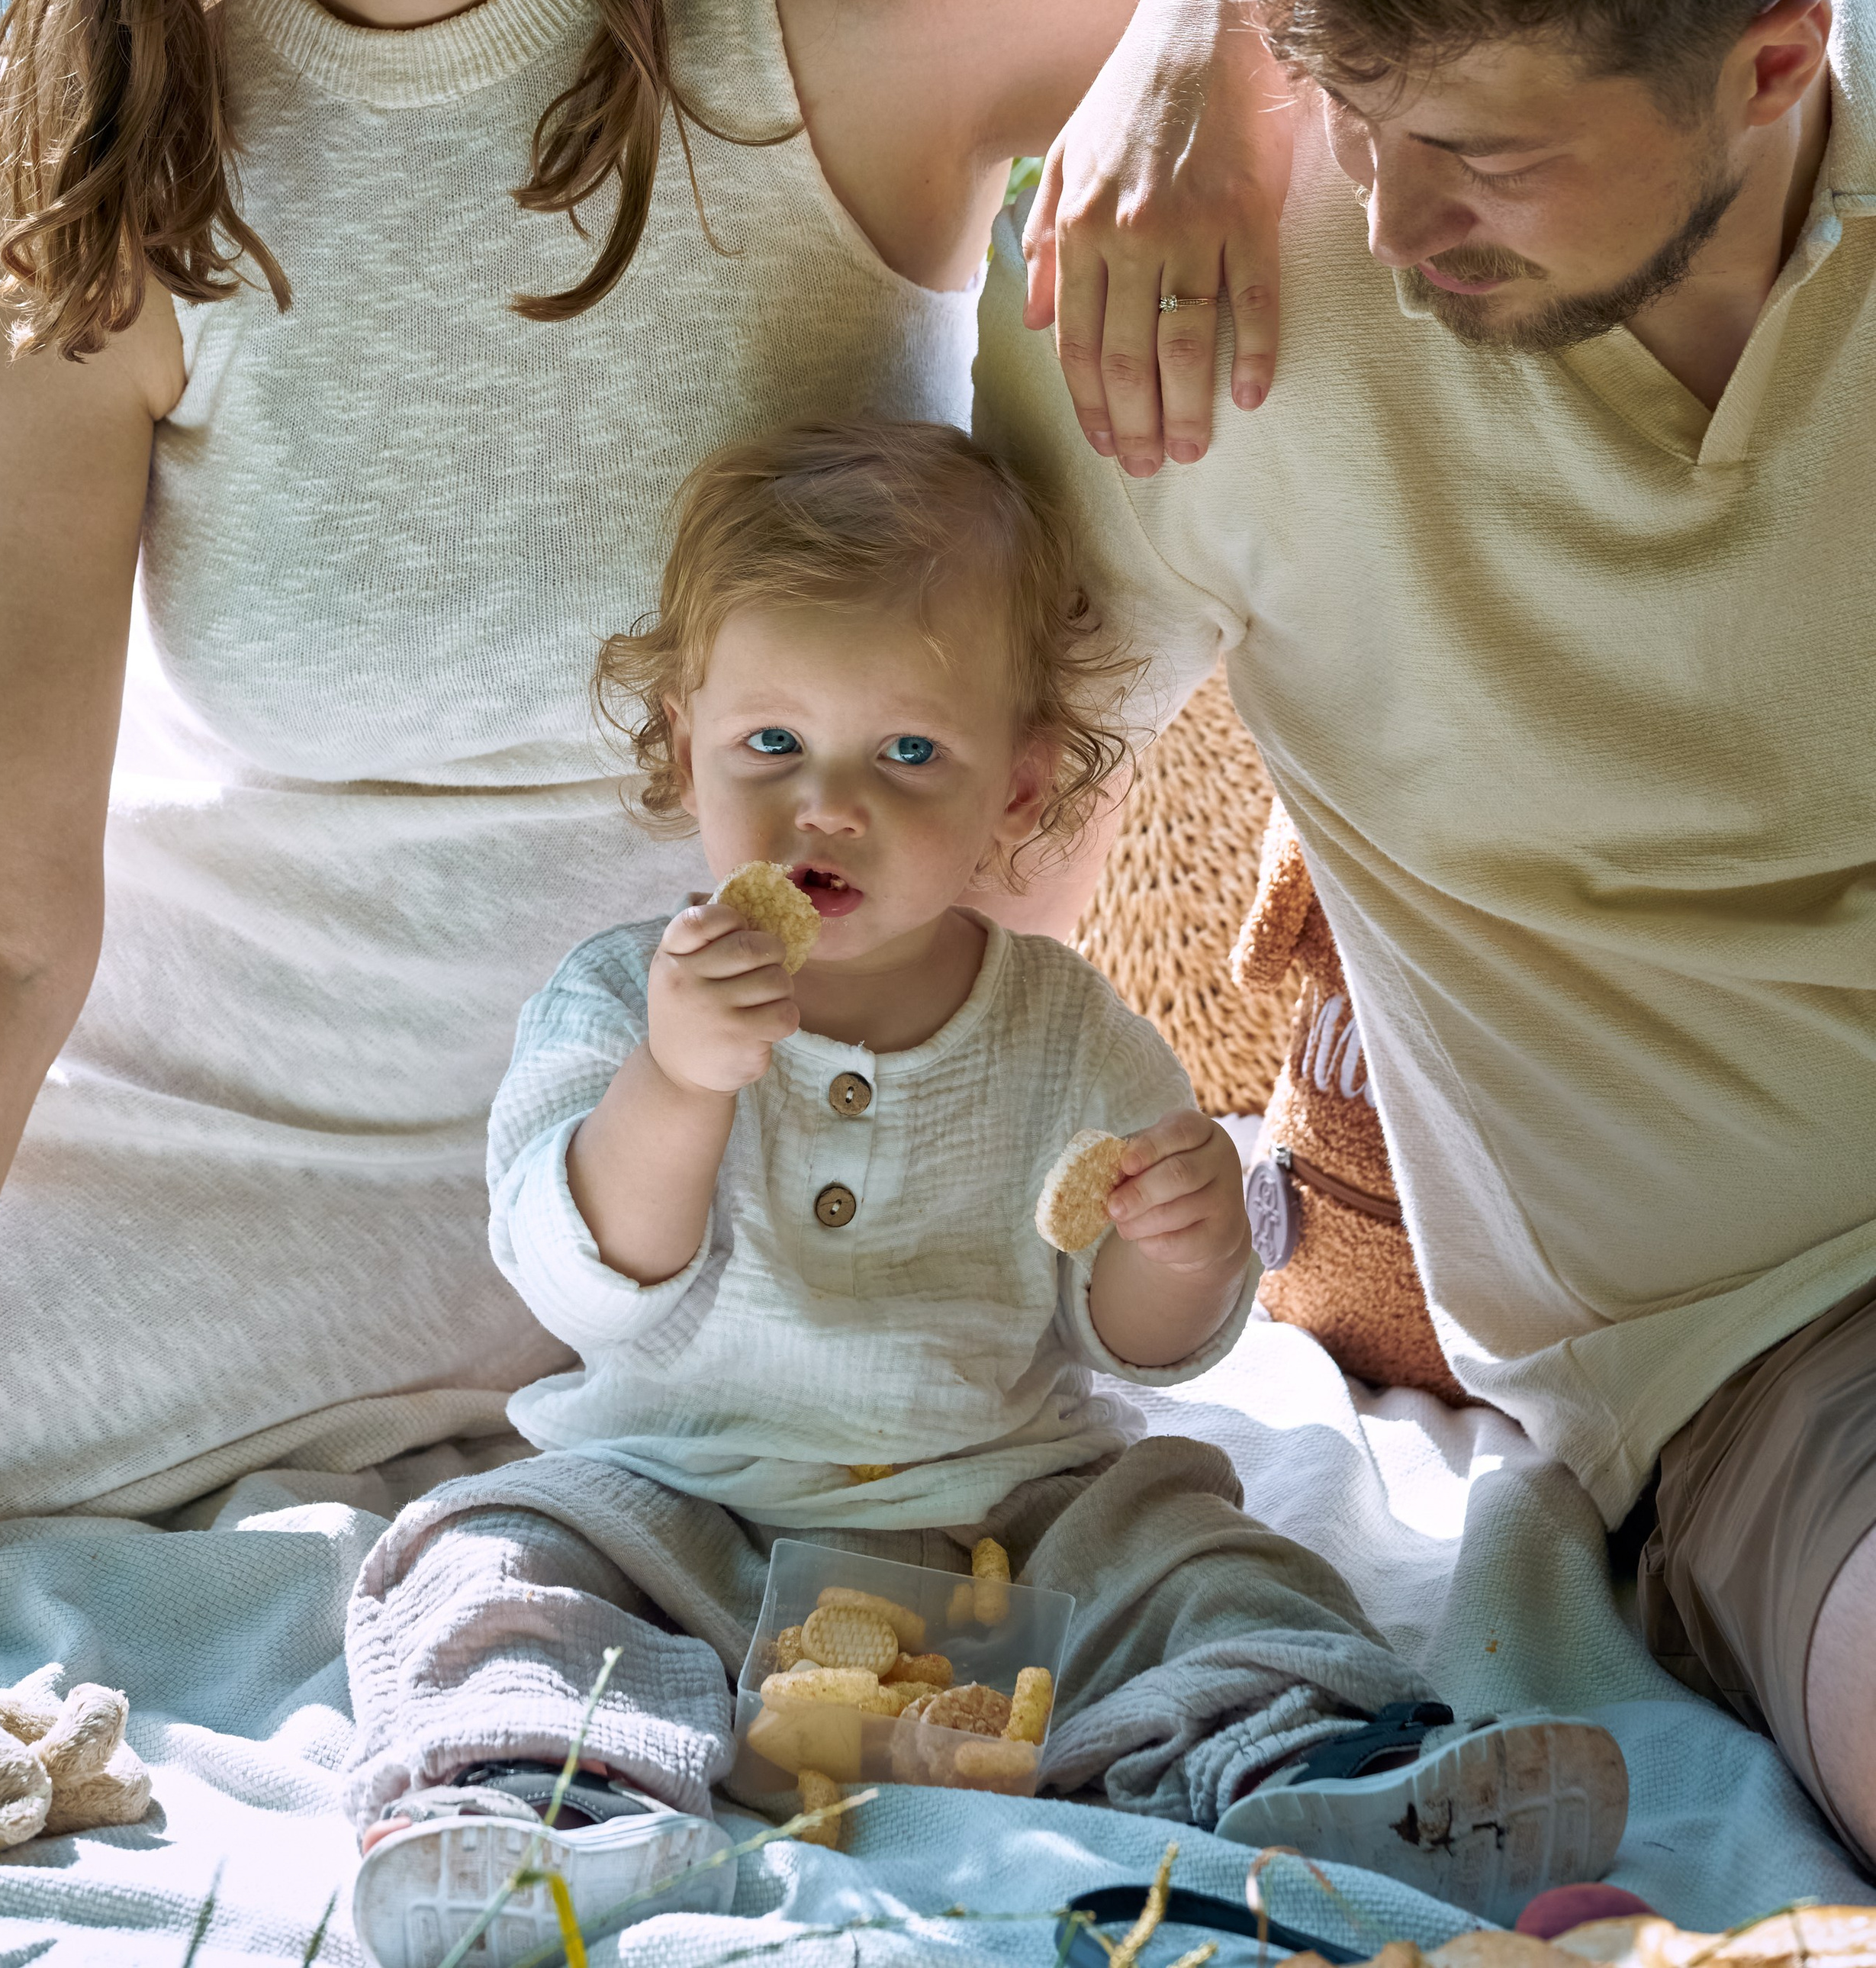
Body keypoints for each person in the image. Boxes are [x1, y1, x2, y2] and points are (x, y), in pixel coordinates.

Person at [0, 0, 1289, 1534]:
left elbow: (1353, 16)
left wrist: (1195, 38)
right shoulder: (99, 143)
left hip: (787, 1135)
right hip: (231, 1135)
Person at [980, 0, 1876, 1864]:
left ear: (1775, 64)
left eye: (1479, 152)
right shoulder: (1207, 291)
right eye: (1354, 108)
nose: (1389, 218)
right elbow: (971, 849)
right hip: (1788, 1347)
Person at [342, 421, 1624, 1965]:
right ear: (684, 743)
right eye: (770, 744)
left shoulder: (1065, 1030)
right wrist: (675, 1086)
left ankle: (1319, 1769)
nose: (827, 806)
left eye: (906, 755)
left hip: (1007, 1528)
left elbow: (1139, 1344)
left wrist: (1182, 1244)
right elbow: (582, 1280)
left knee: (1209, 1556)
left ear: (1016, 789)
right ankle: (538, 1795)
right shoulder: (622, 999)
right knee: (491, 1548)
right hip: (684, 1509)